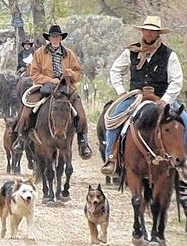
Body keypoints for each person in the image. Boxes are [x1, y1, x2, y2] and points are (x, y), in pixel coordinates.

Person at [100, 16, 186, 175]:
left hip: (161, 97)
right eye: (146, 30)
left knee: (184, 121)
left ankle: (183, 162)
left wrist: (165, 99)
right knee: (112, 118)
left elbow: (176, 80)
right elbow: (115, 70)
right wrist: (122, 92)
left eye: (152, 31)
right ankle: (111, 158)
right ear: (142, 31)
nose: (148, 33)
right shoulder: (130, 51)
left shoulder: (169, 55)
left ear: (158, 33)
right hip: (136, 96)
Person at [12, 25, 93, 159]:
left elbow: (78, 73)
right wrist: (50, 80)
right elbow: (34, 73)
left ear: (61, 38)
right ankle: (21, 138)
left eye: (57, 36)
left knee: (81, 115)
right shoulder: (39, 53)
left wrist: (70, 74)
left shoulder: (69, 54)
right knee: (26, 112)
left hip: (66, 88)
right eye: (52, 37)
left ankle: (82, 142)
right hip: (44, 87)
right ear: (49, 38)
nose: (55, 39)